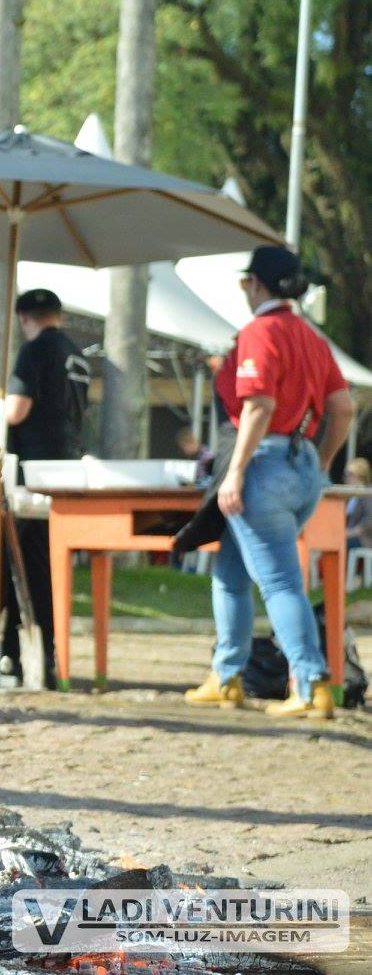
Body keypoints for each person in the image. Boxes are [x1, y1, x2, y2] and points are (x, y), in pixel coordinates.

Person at [184, 246, 350, 720]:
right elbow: (342, 408)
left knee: (279, 583)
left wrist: (234, 472)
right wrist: (320, 465)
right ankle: (227, 675)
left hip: (261, 465)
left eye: (245, 283)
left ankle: (312, 684)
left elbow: (258, 406)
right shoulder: (312, 337)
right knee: (231, 574)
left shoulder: (260, 332)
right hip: (301, 467)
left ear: (256, 284)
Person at [0, 288, 91, 683]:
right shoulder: (76, 354)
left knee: (8, 559)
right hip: (65, 469)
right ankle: (26, 654)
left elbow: (17, 409)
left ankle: (15, 652)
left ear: (24, 318)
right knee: (37, 565)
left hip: (31, 472)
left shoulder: (35, 351)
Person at [344, 457, 372, 552]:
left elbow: (369, 520)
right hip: (351, 535)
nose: (346, 478)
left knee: (341, 543)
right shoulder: (351, 495)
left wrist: (350, 532)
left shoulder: (368, 493)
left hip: (364, 538)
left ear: (360, 475)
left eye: (350, 475)